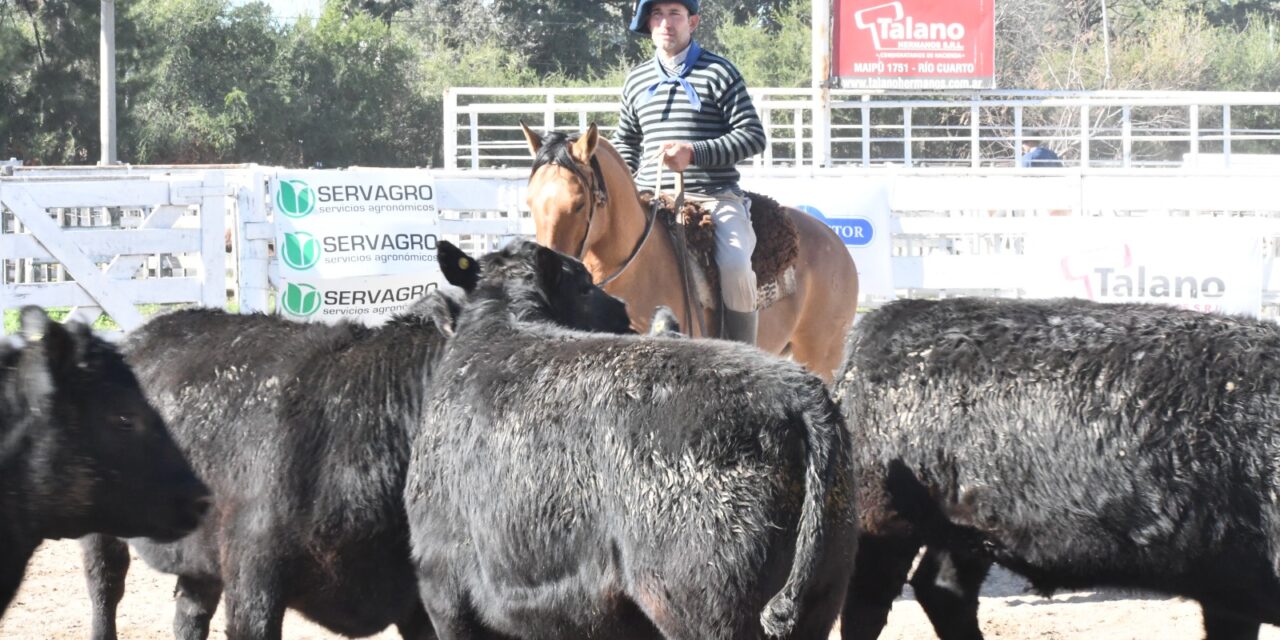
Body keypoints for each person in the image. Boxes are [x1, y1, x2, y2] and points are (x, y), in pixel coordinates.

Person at [612, 0, 767, 346]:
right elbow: (625, 141)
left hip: (714, 198)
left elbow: (753, 136)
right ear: (649, 25)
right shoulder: (635, 81)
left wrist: (694, 153)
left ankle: (742, 356)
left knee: (736, 266)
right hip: (648, 199)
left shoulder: (719, 72)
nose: (665, 22)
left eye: (675, 14)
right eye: (657, 15)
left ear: (693, 22)